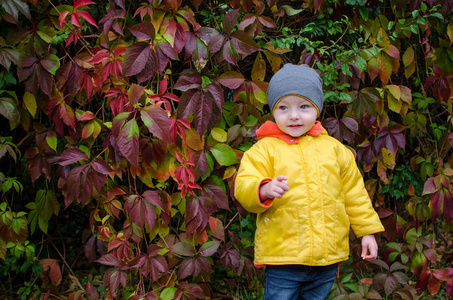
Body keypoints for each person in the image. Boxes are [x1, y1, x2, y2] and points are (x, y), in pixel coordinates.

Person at [234, 63, 385, 300]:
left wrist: (367, 232)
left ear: (317, 109)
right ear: (273, 111)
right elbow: (243, 186)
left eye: (304, 106)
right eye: (283, 107)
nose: (294, 115)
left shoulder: (334, 150)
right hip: (284, 259)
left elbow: (355, 195)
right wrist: (263, 188)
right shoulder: (263, 150)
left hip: (326, 259)